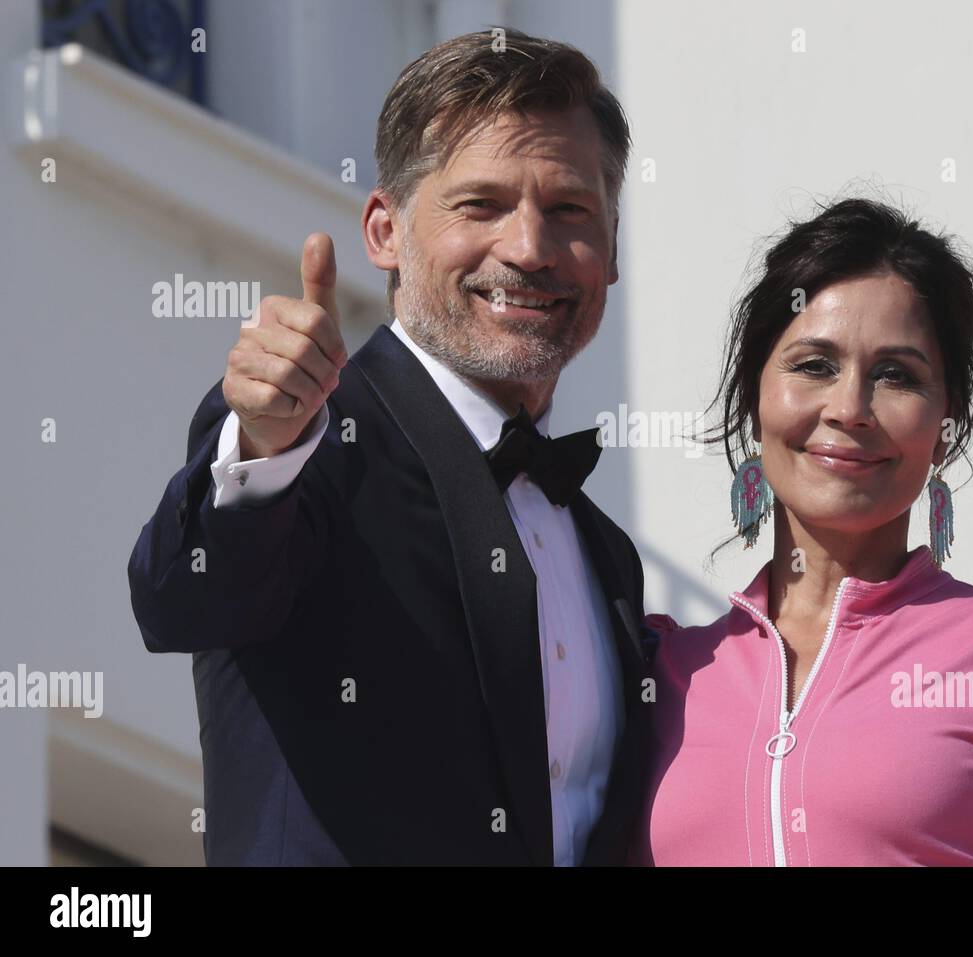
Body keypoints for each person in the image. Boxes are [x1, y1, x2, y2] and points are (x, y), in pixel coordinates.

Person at [127, 29, 654, 865]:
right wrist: (263, 440)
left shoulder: (606, 555)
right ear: (384, 231)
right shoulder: (310, 447)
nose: (527, 248)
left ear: (613, 248)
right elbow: (181, 596)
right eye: (480, 205)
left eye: (569, 210)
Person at [631, 198, 973, 866]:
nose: (849, 409)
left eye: (896, 375)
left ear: (944, 426)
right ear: (754, 396)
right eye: (814, 364)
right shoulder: (661, 670)